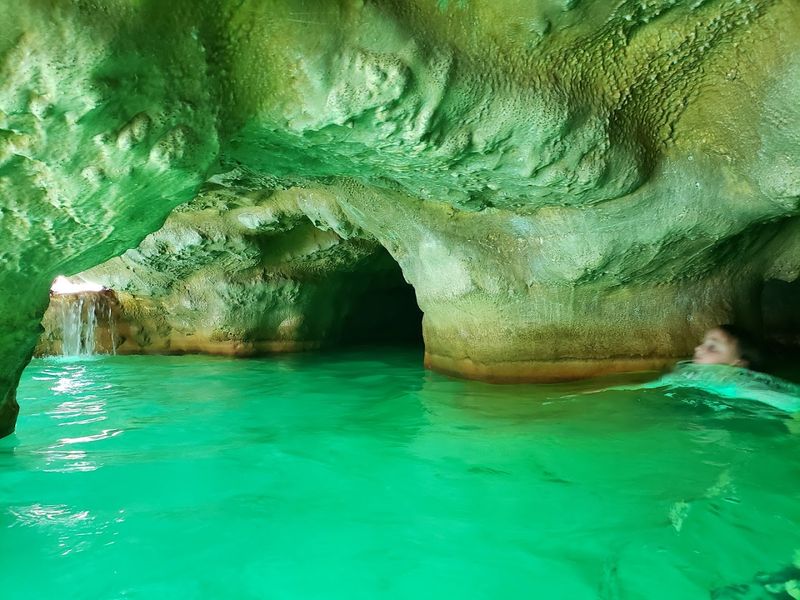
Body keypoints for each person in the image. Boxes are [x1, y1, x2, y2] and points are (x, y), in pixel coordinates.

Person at [693, 324, 764, 371]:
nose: (697, 348)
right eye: (702, 343)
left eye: (712, 347)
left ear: (737, 366)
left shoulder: (744, 390)